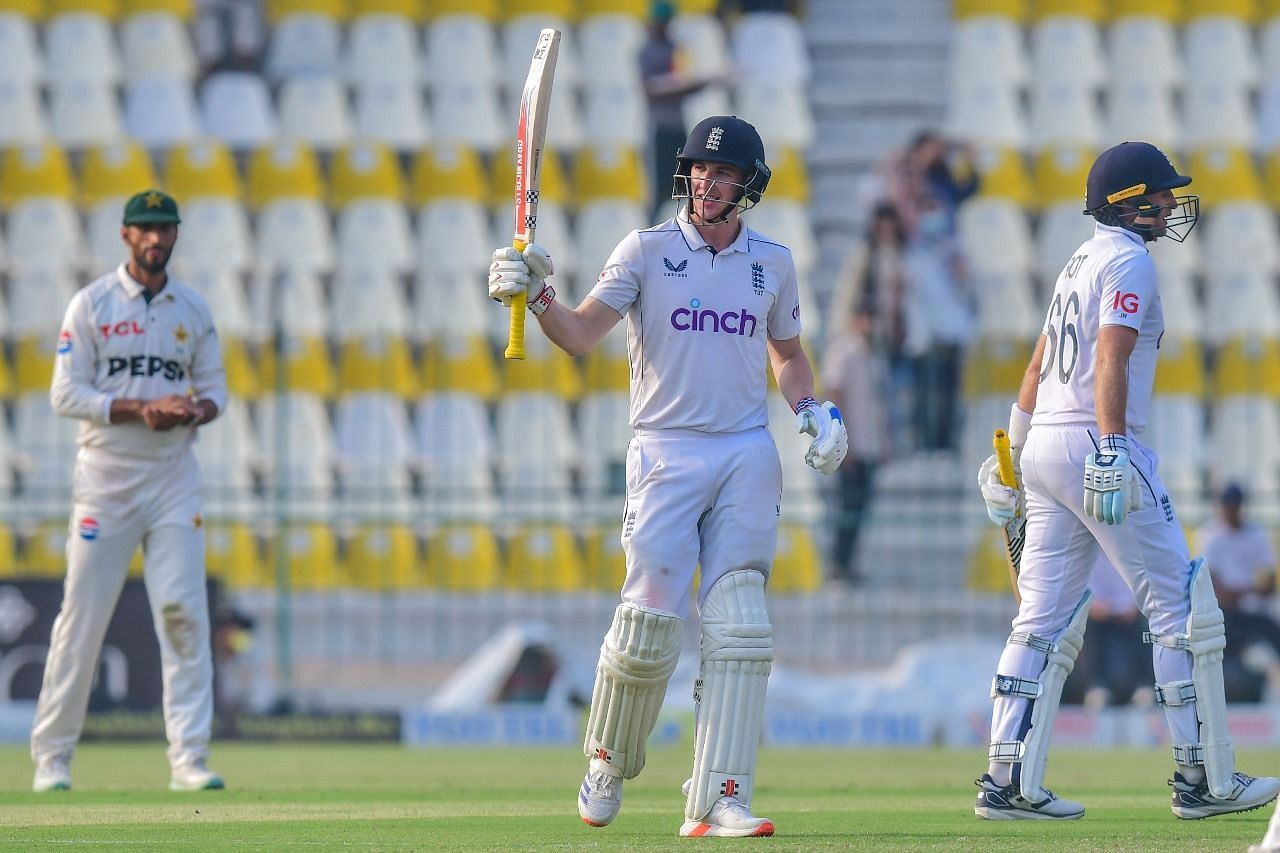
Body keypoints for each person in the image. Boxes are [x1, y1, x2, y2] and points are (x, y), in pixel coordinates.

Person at [488, 115, 846, 837]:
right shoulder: (646, 250)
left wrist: (811, 407)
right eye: (699, 171)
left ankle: (719, 797)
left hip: (746, 451)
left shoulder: (771, 262)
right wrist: (537, 297)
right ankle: (608, 759)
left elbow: (788, 351)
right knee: (650, 623)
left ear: (749, 185)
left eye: (724, 174)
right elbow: (583, 334)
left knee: (742, 627)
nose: (708, 183)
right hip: (665, 450)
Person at [974, 141, 1279, 820]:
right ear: (1130, 203)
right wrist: (1112, 447)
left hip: (1047, 441)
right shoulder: (1129, 259)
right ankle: (1204, 779)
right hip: (1094, 438)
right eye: (1161, 194)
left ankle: (1007, 780)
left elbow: (1035, 367)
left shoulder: (1076, 261)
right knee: (1183, 607)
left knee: (1040, 620)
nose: (1171, 203)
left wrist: (1009, 459)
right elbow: (1111, 353)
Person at [32, 189, 228, 793]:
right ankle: (53, 760)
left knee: (182, 615)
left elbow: (216, 392)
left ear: (174, 235)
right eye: (144, 229)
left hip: (172, 481)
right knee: (82, 620)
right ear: (125, 235)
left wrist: (188, 411)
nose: (154, 239)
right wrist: (143, 408)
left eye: (165, 228)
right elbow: (66, 394)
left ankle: (189, 760)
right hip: (105, 481)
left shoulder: (191, 311)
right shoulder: (90, 305)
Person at [819, 301, 887, 585]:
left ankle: (848, 565)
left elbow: (879, 403)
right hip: (850, 444)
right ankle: (837, 566)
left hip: (869, 442)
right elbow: (834, 393)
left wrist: (885, 442)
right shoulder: (843, 351)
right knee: (847, 508)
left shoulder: (874, 354)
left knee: (861, 509)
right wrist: (839, 441)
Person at [1195, 483, 1280, 702]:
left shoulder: (1257, 534)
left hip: (1254, 613)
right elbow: (1216, 589)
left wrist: (1239, 591)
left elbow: (1269, 586)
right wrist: (1250, 589)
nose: (1231, 510)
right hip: (1226, 614)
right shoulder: (1209, 535)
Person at [639, 1, 718, 222]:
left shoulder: (676, 48)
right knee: (661, 187)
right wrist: (680, 86)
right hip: (659, 127)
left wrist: (693, 84)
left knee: (685, 182)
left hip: (678, 124)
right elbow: (650, 90)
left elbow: (683, 82)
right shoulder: (648, 51)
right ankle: (654, 229)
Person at [1065, 554, 1154, 708]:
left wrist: (1131, 610)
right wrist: (1104, 610)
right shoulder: (1091, 556)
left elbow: (1142, 591)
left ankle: (1144, 685)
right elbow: (1087, 596)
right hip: (1101, 616)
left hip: (1130, 615)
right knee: (1089, 627)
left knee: (1147, 626)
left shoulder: (1132, 554)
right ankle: (1096, 686)